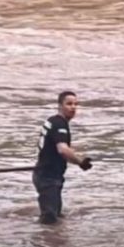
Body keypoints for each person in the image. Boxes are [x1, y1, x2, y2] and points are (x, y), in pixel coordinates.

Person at [33, 90, 93, 225]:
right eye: (69, 104)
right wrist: (80, 162)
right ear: (60, 105)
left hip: (44, 174)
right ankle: (44, 243)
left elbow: (59, 148)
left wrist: (74, 156)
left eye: (76, 104)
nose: (73, 107)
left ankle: (51, 241)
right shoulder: (60, 125)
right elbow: (63, 150)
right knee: (50, 219)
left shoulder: (52, 121)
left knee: (56, 216)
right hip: (48, 177)